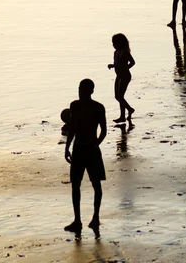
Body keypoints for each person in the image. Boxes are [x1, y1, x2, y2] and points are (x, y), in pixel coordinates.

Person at [64, 79, 107, 238]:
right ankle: (77, 220)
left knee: (96, 185)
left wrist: (95, 144)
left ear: (90, 91)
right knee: (76, 185)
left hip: (88, 149)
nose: (80, 92)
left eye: (82, 89)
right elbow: (72, 128)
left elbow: (103, 130)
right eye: (79, 89)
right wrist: (67, 147)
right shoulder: (75, 105)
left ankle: (95, 217)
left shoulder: (97, 108)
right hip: (80, 149)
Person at [108, 33, 135, 122]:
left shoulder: (125, 52)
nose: (113, 45)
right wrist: (113, 66)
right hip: (118, 76)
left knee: (120, 96)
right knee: (118, 96)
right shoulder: (116, 52)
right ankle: (123, 115)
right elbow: (117, 64)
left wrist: (125, 68)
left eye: (115, 43)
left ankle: (128, 111)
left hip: (125, 76)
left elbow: (132, 62)